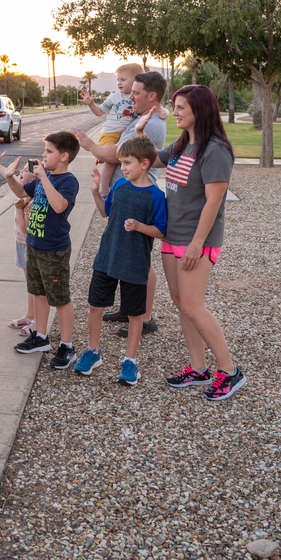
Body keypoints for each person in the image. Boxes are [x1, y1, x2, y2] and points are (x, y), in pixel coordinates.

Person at [135, 85, 245, 401]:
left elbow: (214, 201)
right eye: (175, 106)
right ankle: (198, 368)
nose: (176, 112)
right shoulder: (184, 143)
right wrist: (141, 131)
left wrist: (198, 243)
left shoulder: (215, 150)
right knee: (182, 302)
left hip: (197, 240)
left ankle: (230, 371)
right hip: (173, 235)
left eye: (181, 107)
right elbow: (154, 160)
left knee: (194, 306)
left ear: (200, 109)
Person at [74, 70, 167, 338]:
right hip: (126, 192)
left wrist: (90, 144)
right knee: (131, 254)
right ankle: (131, 310)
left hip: (138, 197)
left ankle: (144, 317)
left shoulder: (149, 123)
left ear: (151, 96)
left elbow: (115, 154)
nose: (131, 96)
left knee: (140, 260)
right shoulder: (144, 116)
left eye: (136, 93)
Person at [73, 135, 167, 385]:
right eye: (121, 163)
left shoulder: (156, 196)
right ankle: (93, 352)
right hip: (107, 257)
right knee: (95, 305)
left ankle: (130, 361)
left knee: (135, 313)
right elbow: (106, 212)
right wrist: (95, 192)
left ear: (144, 164)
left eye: (127, 163)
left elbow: (160, 230)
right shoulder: (120, 187)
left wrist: (139, 226)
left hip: (135, 263)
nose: (122, 168)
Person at [0, 131, 80, 369]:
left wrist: (44, 178)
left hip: (54, 250)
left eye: (49, 152)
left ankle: (67, 346)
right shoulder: (44, 178)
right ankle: (40, 336)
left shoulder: (67, 180)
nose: (43, 156)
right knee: (39, 293)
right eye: (44, 151)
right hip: (34, 245)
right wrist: (10, 177)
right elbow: (21, 192)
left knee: (60, 298)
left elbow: (60, 206)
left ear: (63, 156)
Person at [78, 62, 144, 196]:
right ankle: (104, 189)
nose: (119, 82)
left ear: (137, 80)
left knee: (123, 159)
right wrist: (91, 103)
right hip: (110, 133)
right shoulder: (114, 97)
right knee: (111, 160)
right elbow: (99, 112)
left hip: (125, 134)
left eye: (123, 79)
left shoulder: (138, 98)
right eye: (118, 80)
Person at [7, 164, 36, 338]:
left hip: (28, 245)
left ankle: (35, 321)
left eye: (25, 171)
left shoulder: (30, 201)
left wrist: (19, 209)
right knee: (30, 284)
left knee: (34, 285)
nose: (21, 172)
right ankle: (30, 315)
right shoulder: (24, 197)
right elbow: (11, 178)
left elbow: (25, 229)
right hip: (21, 243)